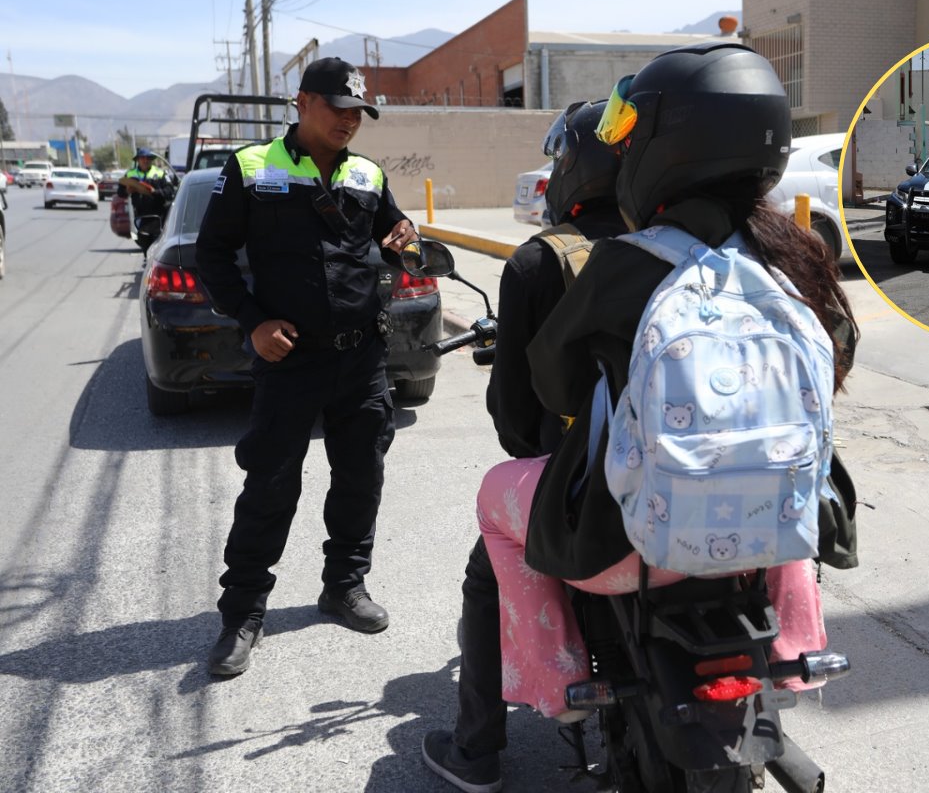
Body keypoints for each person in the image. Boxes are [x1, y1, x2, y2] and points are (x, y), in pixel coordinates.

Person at [469, 42, 857, 743]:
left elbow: (551, 380)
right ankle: (798, 652)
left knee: (494, 500)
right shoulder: (798, 253)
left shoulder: (626, 261)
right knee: (777, 467)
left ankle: (555, 681)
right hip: (776, 537)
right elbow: (838, 359)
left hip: (634, 549)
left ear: (664, 148)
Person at [421, 100, 625, 793]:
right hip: (696, 481)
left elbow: (514, 421)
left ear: (575, 166)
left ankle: (475, 750)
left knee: (487, 576)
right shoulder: (689, 246)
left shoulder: (543, 262)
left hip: (582, 493)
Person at [195, 56, 418, 676]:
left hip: (362, 359)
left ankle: (344, 586)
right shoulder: (251, 168)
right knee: (270, 483)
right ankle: (242, 610)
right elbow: (212, 255)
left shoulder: (369, 174)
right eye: (338, 109)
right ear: (302, 102)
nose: (350, 121)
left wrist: (403, 242)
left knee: (360, 477)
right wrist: (253, 320)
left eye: (358, 113)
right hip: (289, 361)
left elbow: (394, 238)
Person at [121, 147, 171, 226]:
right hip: (139, 216)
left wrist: (154, 192)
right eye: (142, 158)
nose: (145, 160)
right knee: (141, 237)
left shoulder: (160, 173)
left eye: (148, 158)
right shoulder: (130, 174)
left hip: (158, 215)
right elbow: (120, 193)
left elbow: (169, 192)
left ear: (151, 160)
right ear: (138, 160)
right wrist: (128, 191)